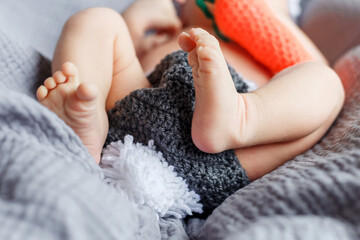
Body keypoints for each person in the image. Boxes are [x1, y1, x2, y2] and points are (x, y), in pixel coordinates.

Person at [36, 0, 344, 181]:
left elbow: (307, 67)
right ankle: (85, 117)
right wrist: (133, 23)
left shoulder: (284, 31)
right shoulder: (174, 20)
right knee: (97, 21)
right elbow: (124, 52)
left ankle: (241, 117)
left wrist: (260, 14)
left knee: (326, 81)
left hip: (231, 146)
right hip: (139, 102)